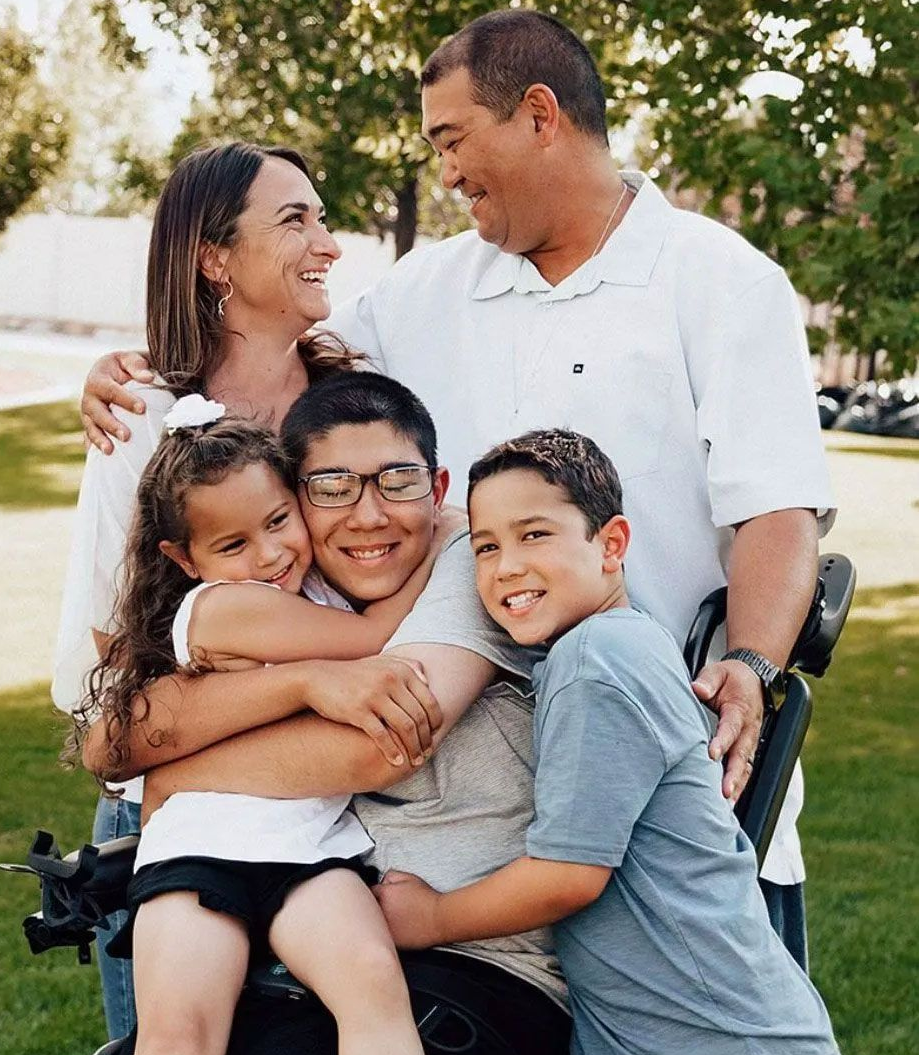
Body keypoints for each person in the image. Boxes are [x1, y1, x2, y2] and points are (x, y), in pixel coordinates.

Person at [80, 10, 834, 968]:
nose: (442, 171)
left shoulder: (722, 281)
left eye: (451, 138)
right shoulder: (424, 291)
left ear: (538, 114)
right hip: (474, 823)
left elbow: (778, 509)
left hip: (673, 795)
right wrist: (138, 374)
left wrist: (756, 665)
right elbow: (260, 340)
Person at [51, 140, 426, 1041]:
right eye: (295, 220)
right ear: (213, 257)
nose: (328, 242)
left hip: (325, 812)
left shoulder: (351, 397)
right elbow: (117, 677)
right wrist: (303, 683)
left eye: (322, 216)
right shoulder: (143, 417)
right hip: (171, 815)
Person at [84, 372, 575, 1055]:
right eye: (333, 487)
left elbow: (380, 743)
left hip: (476, 963)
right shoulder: (273, 595)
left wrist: (176, 774)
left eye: (397, 482)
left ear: (438, 493)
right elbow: (111, 740)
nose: (368, 515)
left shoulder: (468, 560)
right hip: (268, 898)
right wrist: (307, 684)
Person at [374, 428, 839, 1055]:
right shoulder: (615, 643)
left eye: (534, 534)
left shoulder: (597, 661)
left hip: (717, 1036)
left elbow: (569, 875)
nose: (506, 565)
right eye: (484, 547)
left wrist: (431, 917)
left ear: (611, 544)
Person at [73, 396, 441, 1055]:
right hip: (200, 854)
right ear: (185, 559)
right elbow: (371, 636)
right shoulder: (225, 606)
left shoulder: (314, 591)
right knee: (180, 1033)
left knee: (374, 990)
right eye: (234, 543)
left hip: (312, 851)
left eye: (278, 520)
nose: (271, 554)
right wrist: (442, 542)